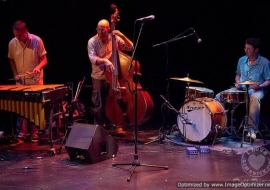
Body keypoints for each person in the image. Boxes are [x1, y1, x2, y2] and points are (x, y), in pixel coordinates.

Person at [215, 38, 270, 142]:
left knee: (254, 97)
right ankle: (220, 126)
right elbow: (238, 75)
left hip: (257, 89)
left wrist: (260, 86)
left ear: (256, 50)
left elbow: (268, 80)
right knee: (219, 96)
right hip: (242, 88)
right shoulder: (241, 60)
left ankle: (251, 131)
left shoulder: (265, 62)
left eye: (249, 49)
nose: (246, 50)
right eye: (245, 48)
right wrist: (238, 82)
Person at [87, 19, 134, 134]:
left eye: (103, 30)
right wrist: (105, 61)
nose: (100, 32)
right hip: (99, 75)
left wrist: (122, 35)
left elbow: (130, 47)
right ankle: (98, 128)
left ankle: (116, 124)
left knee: (115, 101)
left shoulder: (114, 38)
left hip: (115, 76)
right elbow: (92, 58)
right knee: (99, 103)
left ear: (108, 29)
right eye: (98, 29)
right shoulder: (92, 41)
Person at [8, 20, 48, 139]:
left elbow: (45, 60)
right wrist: (15, 73)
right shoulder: (12, 43)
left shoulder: (37, 40)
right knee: (21, 108)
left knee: (35, 108)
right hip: (20, 81)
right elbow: (11, 59)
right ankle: (22, 134)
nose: (17, 37)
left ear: (25, 31)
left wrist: (38, 67)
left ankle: (34, 134)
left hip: (36, 80)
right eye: (15, 35)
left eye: (19, 35)